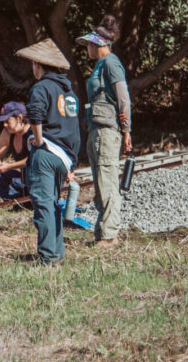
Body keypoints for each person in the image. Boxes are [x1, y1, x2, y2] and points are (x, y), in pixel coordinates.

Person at [16, 38, 81, 265]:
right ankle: (57, 253)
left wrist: (38, 140)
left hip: (45, 154)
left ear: (38, 65)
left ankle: (48, 258)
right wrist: (71, 162)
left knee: (43, 205)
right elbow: (74, 128)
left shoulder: (41, 87)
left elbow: (35, 112)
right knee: (52, 205)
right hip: (64, 157)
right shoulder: (69, 93)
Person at [78, 15, 133, 249]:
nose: (87, 48)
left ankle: (109, 236)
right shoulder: (100, 65)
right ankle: (102, 233)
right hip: (96, 130)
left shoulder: (110, 63)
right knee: (101, 182)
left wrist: (127, 129)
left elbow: (123, 97)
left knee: (108, 181)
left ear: (98, 43)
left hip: (106, 132)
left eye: (88, 44)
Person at [0, 101, 30, 200]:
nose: (4, 125)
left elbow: (35, 159)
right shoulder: (8, 132)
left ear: (19, 118)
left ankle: (26, 200)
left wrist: (9, 166)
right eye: (3, 122)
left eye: (7, 121)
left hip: (39, 181)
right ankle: (17, 200)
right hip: (24, 180)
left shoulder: (32, 132)